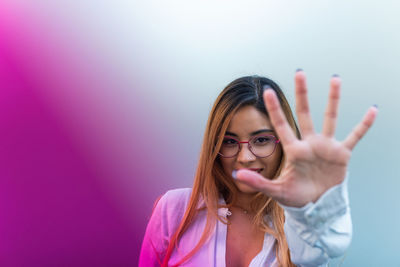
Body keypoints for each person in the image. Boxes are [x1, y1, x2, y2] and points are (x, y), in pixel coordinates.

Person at [139, 70, 378, 267]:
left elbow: (315, 251)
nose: (244, 157)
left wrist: (314, 211)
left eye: (261, 140)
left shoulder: (299, 228)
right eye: (230, 142)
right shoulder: (175, 211)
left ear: (284, 143)